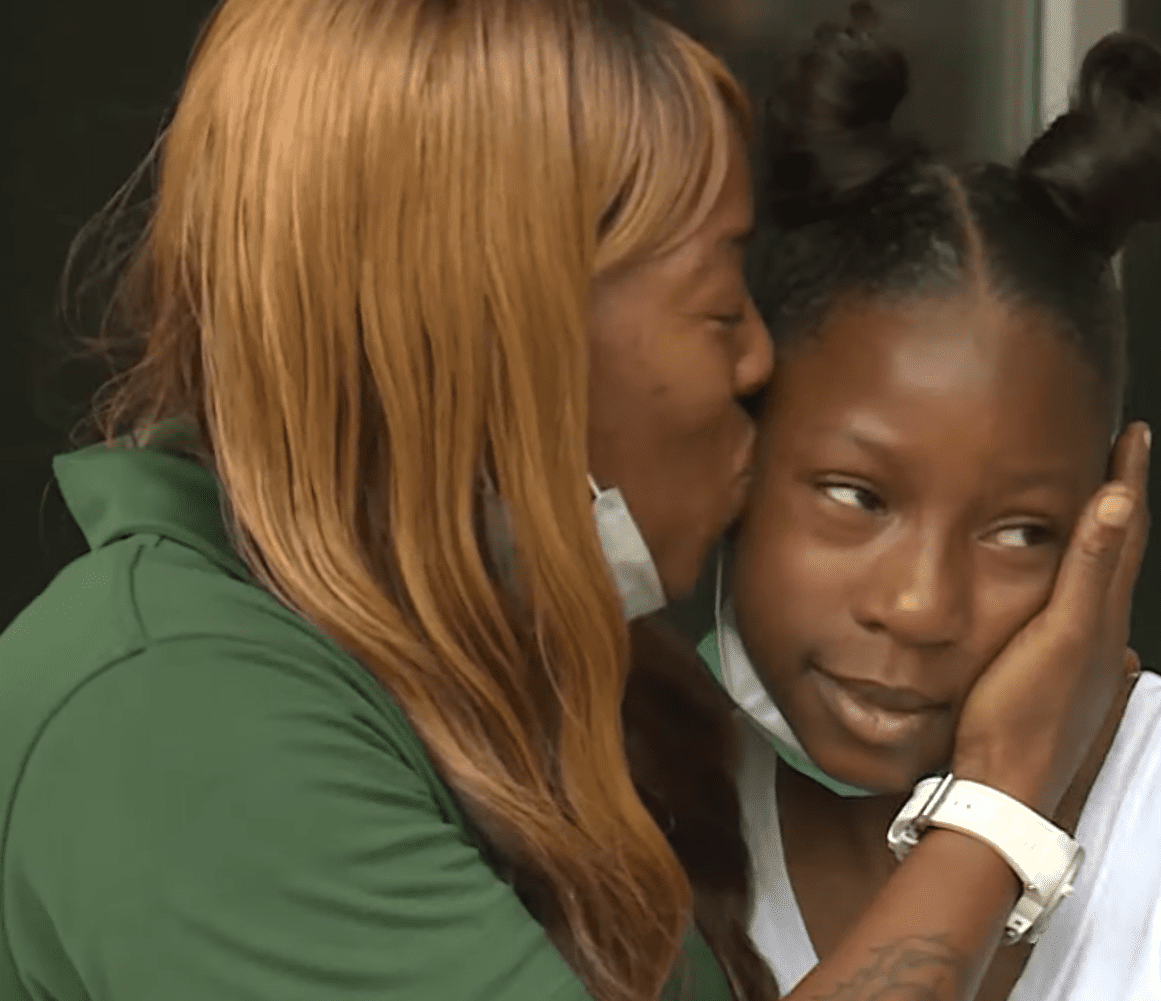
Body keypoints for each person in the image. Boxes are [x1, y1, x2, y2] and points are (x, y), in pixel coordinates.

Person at [0, 2, 1147, 1000]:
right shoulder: (175, 718)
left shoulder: (520, 692)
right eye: (719, 302)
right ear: (510, 349)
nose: (758, 364)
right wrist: (1003, 796)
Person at [698, 9, 1161, 1000]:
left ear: (1109, 520)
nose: (919, 604)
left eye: (1019, 531)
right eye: (856, 495)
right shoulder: (635, 825)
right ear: (738, 451)